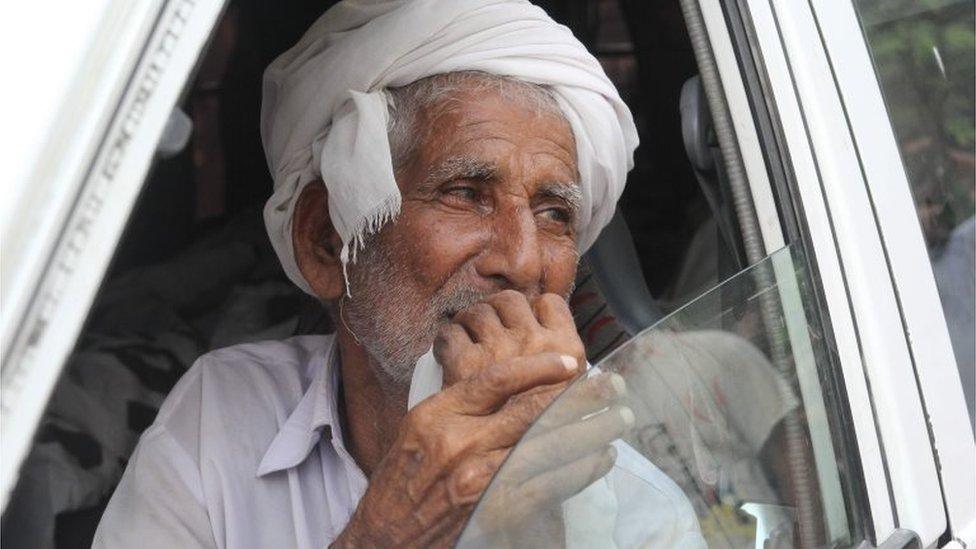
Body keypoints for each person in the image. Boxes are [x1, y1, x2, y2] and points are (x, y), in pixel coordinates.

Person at [93, 1, 704, 547]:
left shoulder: (642, 513)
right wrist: (388, 536)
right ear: (329, 242)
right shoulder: (221, 419)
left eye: (553, 213)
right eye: (465, 193)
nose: (521, 262)